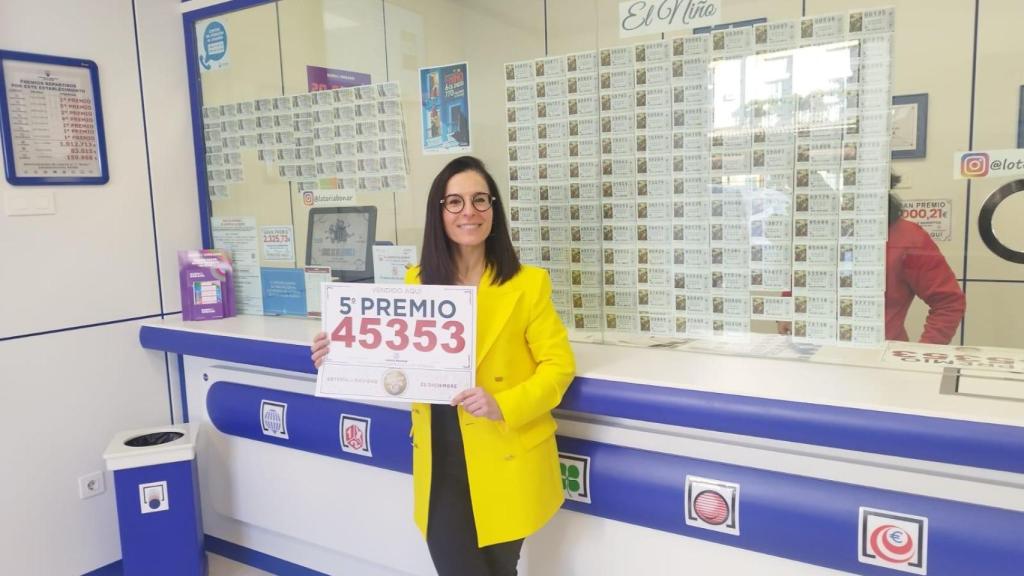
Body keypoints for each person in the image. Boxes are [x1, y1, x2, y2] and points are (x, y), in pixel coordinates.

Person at [311, 156, 575, 576]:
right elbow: (393, 358)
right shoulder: (416, 283)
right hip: (440, 459)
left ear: (493, 210)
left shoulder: (528, 285)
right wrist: (340, 351)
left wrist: (503, 403)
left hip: (505, 456)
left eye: (479, 200)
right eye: (454, 202)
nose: (468, 211)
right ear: (440, 212)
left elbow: (558, 368)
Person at [885, 175, 965, 344]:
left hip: (881, 362)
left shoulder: (907, 238)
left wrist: (923, 356)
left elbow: (948, 303)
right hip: (817, 359)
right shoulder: (817, 233)